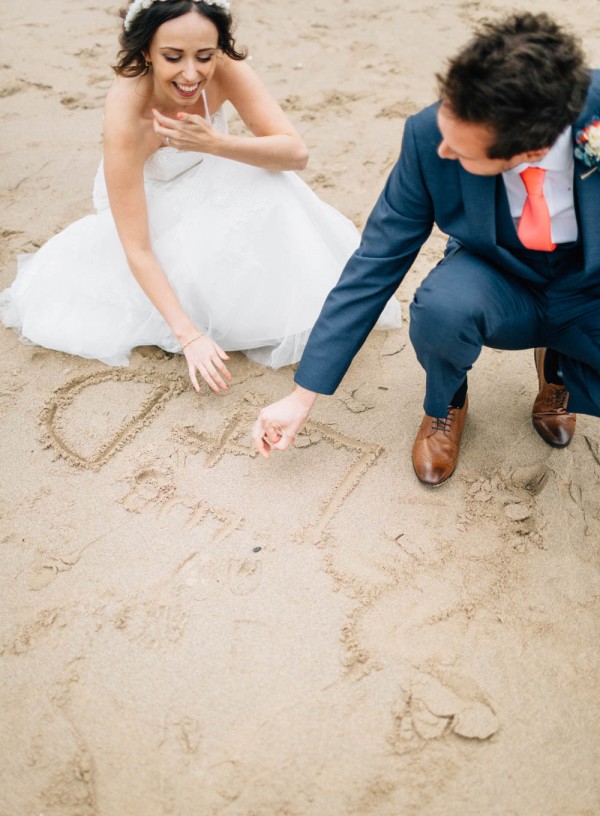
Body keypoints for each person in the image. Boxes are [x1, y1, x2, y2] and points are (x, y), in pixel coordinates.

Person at [252, 12, 600, 486]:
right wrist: (302, 395)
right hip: (497, 275)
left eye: (464, 152)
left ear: (529, 150)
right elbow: (376, 260)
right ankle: (448, 402)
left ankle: (558, 375)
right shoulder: (428, 135)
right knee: (441, 311)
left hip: (588, 285)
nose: (444, 153)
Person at [0, 0, 401, 393]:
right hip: (149, 207)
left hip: (210, 169)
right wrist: (190, 336)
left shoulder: (223, 69)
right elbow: (137, 248)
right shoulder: (127, 116)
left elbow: (295, 154)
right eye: (173, 57)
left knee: (273, 185)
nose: (192, 73)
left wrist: (212, 143)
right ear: (146, 52)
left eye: (204, 56)